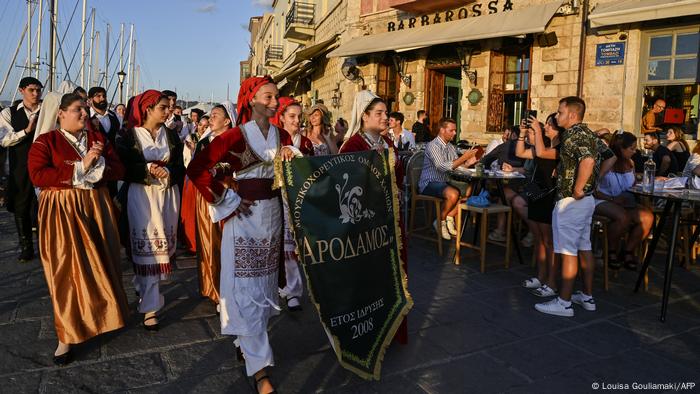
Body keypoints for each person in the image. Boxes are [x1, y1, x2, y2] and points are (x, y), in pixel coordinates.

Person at [187, 76, 299, 394]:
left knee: (262, 288)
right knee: (245, 290)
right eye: (268, 96)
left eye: (277, 97)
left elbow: (293, 174)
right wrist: (228, 199)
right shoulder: (235, 136)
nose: (275, 102)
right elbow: (197, 169)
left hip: (273, 217)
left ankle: (244, 340)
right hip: (245, 219)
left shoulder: (282, 135)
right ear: (251, 100)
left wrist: (289, 161)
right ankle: (261, 370)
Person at [27, 92, 129, 366]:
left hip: (96, 206)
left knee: (101, 264)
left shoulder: (98, 140)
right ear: (60, 113)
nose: (84, 114)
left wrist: (101, 165)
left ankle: (101, 316)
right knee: (66, 271)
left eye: (85, 110)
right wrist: (79, 168)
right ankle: (66, 335)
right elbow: (37, 174)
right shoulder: (46, 141)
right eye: (77, 110)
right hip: (62, 210)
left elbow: (119, 169)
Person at [535, 96, 615, 317]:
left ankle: (564, 302)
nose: (557, 115)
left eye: (560, 112)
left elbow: (588, 160)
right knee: (583, 247)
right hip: (585, 201)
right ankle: (587, 297)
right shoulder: (588, 134)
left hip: (572, 201)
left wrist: (580, 187)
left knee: (568, 251)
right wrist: (593, 181)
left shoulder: (572, 135)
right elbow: (610, 157)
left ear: (571, 114)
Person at [116, 90, 184, 331]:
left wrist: (169, 173)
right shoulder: (128, 136)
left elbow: (180, 166)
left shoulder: (172, 135)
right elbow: (122, 167)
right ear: (147, 109)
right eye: (163, 107)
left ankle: (142, 284)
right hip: (142, 196)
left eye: (168, 107)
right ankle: (151, 307)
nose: (168, 111)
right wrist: (147, 171)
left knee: (162, 246)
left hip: (166, 195)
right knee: (148, 249)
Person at [270, 97, 313, 312]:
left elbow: (312, 169)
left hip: (299, 201)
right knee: (278, 247)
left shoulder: (305, 143)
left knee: (293, 249)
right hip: (276, 198)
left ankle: (294, 290)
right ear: (282, 118)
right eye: (292, 116)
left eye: (299, 116)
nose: (297, 121)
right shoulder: (273, 140)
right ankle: (280, 287)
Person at [515, 114, 562, 297]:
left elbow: (541, 153)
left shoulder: (559, 148)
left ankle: (551, 281)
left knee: (549, 241)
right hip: (536, 192)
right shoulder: (545, 146)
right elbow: (520, 153)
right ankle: (541, 277)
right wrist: (522, 134)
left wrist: (536, 131)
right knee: (540, 240)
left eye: (550, 125)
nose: (546, 127)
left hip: (549, 195)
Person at [594, 132, 654, 270]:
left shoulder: (630, 163)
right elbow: (594, 188)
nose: (634, 151)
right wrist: (612, 199)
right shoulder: (606, 162)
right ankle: (611, 250)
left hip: (624, 201)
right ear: (621, 148)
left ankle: (628, 250)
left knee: (648, 217)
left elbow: (632, 186)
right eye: (631, 148)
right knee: (623, 217)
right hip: (602, 199)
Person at [0, 76, 43, 262]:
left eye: (38, 90)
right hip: (20, 165)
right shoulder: (8, 113)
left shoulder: (48, 111)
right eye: (31, 90)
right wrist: (26, 131)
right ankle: (26, 246)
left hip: (43, 164)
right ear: (21, 91)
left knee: (45, 205)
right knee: (21, 205)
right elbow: (4, 139)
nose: (35, 93)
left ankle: (46, 244)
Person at [418, 117, 478, 240]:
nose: (455, 133)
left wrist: (467, 163)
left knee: (471, 190)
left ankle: (448, 216)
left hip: (445, 182)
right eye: (452, 130)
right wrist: (463, 158)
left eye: (455, 130)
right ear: (442, 130)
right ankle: (440, 222)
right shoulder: (432, 145)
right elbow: (441, 167)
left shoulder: (450, 147)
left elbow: (455, 166)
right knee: (453, 194)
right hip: (429, 183)